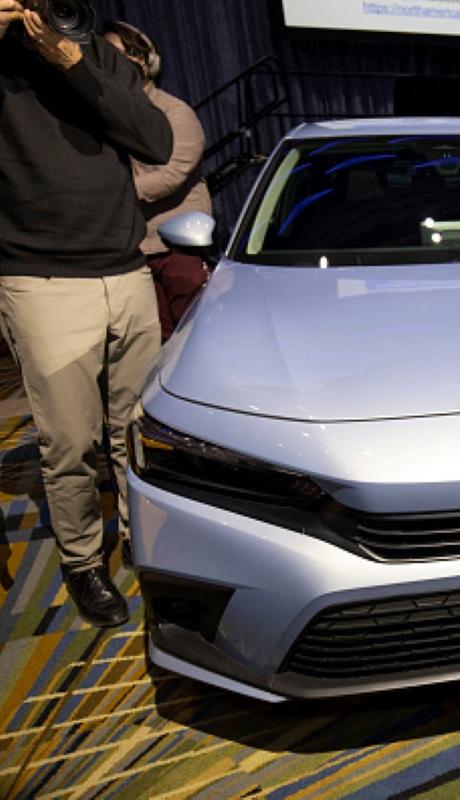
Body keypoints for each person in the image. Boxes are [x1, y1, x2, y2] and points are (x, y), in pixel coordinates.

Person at [0, 2, 172, 626]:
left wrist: (73, 64)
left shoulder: (95, 55)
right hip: (40, 279)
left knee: (138, 435)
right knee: (70, 442)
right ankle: (81, 562)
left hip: (127, 271)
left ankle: (141, 542)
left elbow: (155, 141)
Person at [102, 20, 211, 341]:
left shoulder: (174, 111)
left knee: (193, 336)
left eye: (120, 53)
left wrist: (111, 194)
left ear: (144, 60)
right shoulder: (107, 114)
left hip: (178, 246)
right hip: (133, 249)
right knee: (153, 343)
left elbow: (174, 173)